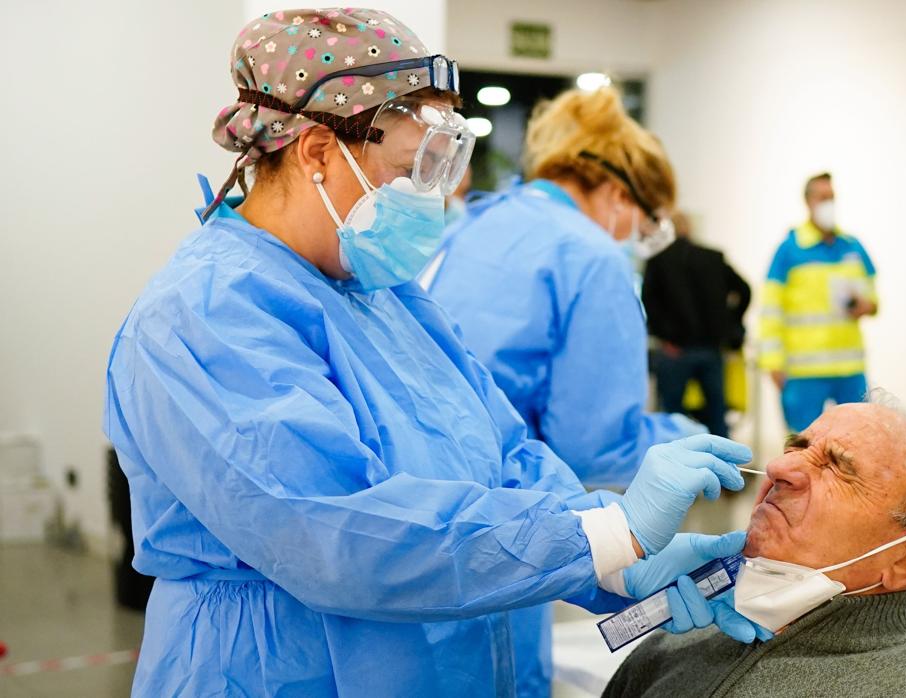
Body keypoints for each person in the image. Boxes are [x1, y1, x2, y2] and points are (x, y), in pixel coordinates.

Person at [103, 11, 766, 696]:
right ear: (318, 152)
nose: (438, 197)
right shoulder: (207, 314)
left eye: (443, 168)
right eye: (412, 169)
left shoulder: (382, 296)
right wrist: (597, 540)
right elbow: (340, 536)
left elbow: (505, 454)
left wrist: (615, 561)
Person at [422, 86, 707, 697]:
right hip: (505, 520)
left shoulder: (470, 226)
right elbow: (594, 448)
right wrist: (687, 440)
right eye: (646, 224)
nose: (637, 240)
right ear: (616, 194)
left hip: (427, 522)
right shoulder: (591, 257)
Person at [604, 394, 906, 697]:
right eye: (796, 447)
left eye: (837, 467)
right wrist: (605, 557)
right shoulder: (676, 646)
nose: (779, 469)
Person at [760, 172, 878, 431]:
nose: (829, 203)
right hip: (804, 372)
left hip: (850, 369)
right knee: (802, 447)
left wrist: (867, 305)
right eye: (822, 197)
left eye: (832, 197)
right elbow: (770, 311)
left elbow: (873, 296)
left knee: (859, 442)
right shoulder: (789, 250)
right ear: (808, 202)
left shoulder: (852, 247)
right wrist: (772, 362)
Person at [642, 212, 752, 437]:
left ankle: (676, 469)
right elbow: (744, 290)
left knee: (672, 418)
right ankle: (724, 467)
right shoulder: (712, 257)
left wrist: (664, 336)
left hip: (675, 351)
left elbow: (649, 303)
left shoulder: (658, 261)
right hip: (711, 349)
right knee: (716, 415)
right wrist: (730, 324)